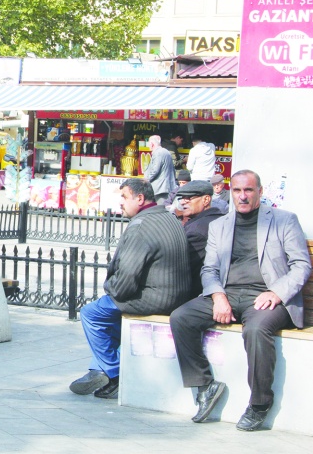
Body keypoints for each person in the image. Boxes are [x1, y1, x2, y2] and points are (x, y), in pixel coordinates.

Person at [170, 170, 311, 431]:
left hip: (267, 298)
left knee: (256, 330)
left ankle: (259, 404)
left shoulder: (284, 220)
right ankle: (204, 386)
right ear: (230, 192)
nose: (242, 196)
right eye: (237, 190)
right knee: (181, 317)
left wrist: (276, 293)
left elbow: (301, 265)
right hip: (229, 294)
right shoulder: (219, 225)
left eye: (248, 190)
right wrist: (218, 295)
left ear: (259, 192)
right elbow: (209, 269)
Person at [69, 178, 191, 399]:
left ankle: (113, 373)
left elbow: (125, 282)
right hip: (176, 294)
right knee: (112, 315)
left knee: (91, 313)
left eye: (124, 197)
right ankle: (98, 367)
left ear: (140, 198)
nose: (121, 203)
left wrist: (109, 288)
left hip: (156, 298)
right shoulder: (167, 216)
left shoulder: (141, 227)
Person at [175, 180, 226, 297]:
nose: (183, 202)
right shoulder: (220, 219)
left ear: (206, 200)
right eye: (182, 198)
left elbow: (181, 266)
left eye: (188, 198)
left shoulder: (196, 230)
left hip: (198, 293)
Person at [143, 135, 177, 204]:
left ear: (152, 144)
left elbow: (155, 170)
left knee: (161, 210)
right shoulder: (166, 151)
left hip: (160, 188)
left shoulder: (158, 153)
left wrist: (146, 180)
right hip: (167, 187)